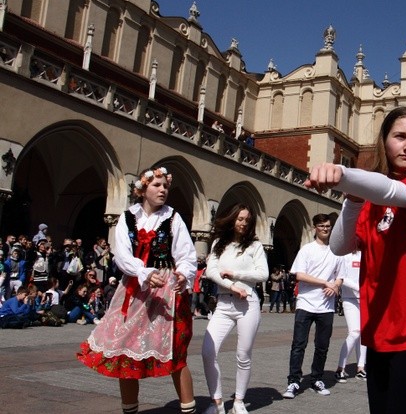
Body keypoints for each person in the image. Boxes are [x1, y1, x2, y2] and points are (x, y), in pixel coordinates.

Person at [305, 106, 406, 414]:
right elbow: (339, 246)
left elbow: (388, 190)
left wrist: (344, 175)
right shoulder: (370, 198)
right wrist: (353, 198)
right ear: (385, 140)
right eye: (400, 136)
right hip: (380, 327)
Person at [77, 166, 198, 414]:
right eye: (157, 185)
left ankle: (189, 409)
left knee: (176, 353)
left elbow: (186, 255)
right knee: (125, 350)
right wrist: (143, 273)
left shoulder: (173, 217)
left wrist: (182, 274)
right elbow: (121, 255)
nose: (163, 189)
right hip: (134, 289)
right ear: (143, 189)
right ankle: (129, 410)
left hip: (168, 293)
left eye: (165, 186)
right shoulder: (127, 217)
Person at [201, 204, 269, 414]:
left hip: (248, 304)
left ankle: (239, 402)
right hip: (224, 302)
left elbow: (263, 274)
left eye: (247, 220)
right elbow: (211, 271)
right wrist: (232, 286)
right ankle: (217, 402)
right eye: (240, 219)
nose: (243, 223)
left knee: (243, 355)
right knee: (207, 352)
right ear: (232, 219)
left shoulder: (255, 246)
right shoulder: (219, 244)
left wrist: (236, 275)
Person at [282, 213, 345, 400]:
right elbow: (299, 275)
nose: (325, 229)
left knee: (322, 346)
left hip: (326, 307)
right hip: (306, 304)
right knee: (299, 345)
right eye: (322, 226)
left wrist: (335, 286)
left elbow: (340, 276)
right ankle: (293, 381)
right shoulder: (307, 250)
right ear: (314, 228)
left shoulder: (336, 251)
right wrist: (325, 283)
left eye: (328, 226)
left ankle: (316, 379)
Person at [335, 249, 367, 383]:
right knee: (354, 332)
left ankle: (361, 367)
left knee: (364, 333)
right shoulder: (345, 256)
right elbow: (342, 278)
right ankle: (340, 368)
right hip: (350, 298)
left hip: (365, 299)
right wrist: (359, 288)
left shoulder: (366, 254)